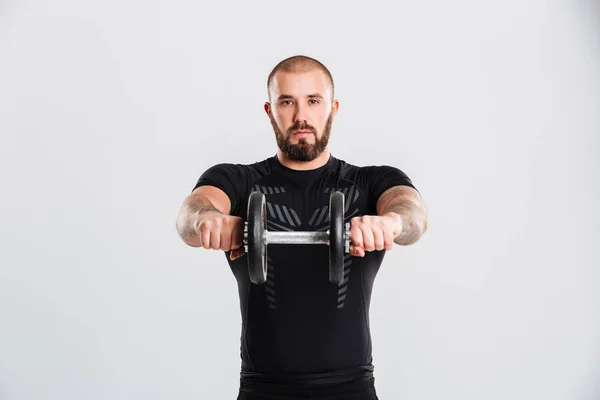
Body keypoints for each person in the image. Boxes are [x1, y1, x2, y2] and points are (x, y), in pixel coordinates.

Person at [175, 55, 428, 400]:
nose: (301, 116)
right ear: (269, 111)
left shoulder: (368, 182)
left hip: (351, 388)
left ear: (333, 108)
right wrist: (207, 221)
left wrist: (390, 222)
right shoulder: (238, 181)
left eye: (313, 100)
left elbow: (413, 214)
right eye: (287, 102)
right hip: (263, 389)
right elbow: (190, 215)